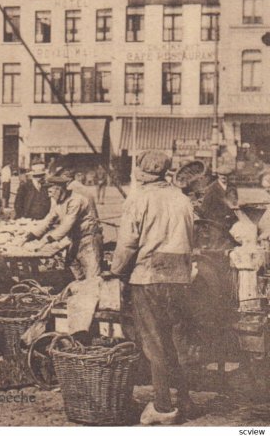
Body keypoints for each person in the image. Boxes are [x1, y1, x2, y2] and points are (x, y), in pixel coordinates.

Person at [110, 150, 195, 425]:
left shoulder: (139, 199)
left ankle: (162, 406)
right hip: (179, 277)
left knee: (154, 343)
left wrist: (114, 271)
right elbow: (190, 240)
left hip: (148, 276)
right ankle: (184, 399)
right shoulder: (183, 200)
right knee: (175, 340)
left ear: (142, 175)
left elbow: (127, 244)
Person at [26, 171, 103, 280]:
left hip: (88, 238)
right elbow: (48, 220)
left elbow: (67, 224)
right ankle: (80, 293)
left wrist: (46, 240)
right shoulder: (58, 202)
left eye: (50, 191)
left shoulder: (76, 200)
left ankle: (94, 294)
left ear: (59, 189)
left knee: (93, 275)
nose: (49, 195)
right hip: (75, 239)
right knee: (74, 271)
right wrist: (31, 235)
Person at [199, 164, 239, 231]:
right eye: (221, 175)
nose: (224, 177)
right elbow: (204, 209)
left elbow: (235, 202)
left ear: (229, 175)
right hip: (216, 224)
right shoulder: (211, 188)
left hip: (231, 222)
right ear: (218, 175)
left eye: (226, 175)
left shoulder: (232, 187)